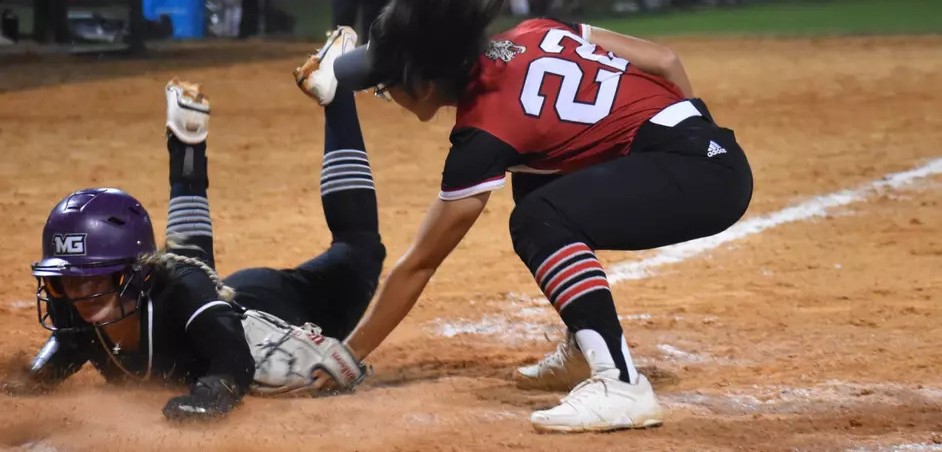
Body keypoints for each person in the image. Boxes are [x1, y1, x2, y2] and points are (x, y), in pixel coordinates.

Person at [294, 1, 753, 434]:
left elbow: (421, 262)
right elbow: (665, 60)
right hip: (702, 153)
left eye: (385, 83)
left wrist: (349, 354)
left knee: (540, 218)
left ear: (426, 84)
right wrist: (696, 138)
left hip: (701, 176)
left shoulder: (483, 133)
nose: (383, 92)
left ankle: (621, 382)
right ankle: (584, 343)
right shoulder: (536, 30)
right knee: (537, 175)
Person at [12, 70, 384, 421]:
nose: (81, 292)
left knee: (359, 249)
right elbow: (38, 375)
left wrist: (210, 397)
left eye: (96, 277)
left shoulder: (179, 292)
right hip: (198, 300)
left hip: (276, 303)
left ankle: (337, 93)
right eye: (69, 280)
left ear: (133, 274)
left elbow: (232, 366)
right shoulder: (83, 317)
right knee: (185, 274)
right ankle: (187, 146)